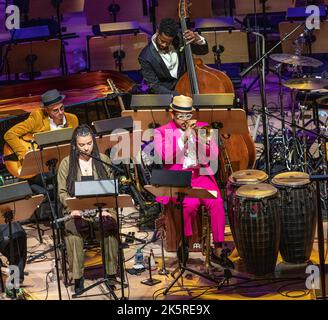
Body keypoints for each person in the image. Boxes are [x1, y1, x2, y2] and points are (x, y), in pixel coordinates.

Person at [154, 95, 228, 264]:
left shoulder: (202, 128)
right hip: (180, 178)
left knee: (216, 201)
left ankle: (218, 246)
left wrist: (198, 139)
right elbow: (165, 156)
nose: (184, 120)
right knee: (190, 205)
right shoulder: (161, 132)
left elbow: (213, 155)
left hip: (200, 175)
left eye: (188, 115)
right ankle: (186, 244)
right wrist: (184, 138)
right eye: (180, 116)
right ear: (172, 114)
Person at [57, 124, 118, 295]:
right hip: (76, 210)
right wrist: (72, 208)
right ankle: (78, 278)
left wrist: (107, 210)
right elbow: (62, 192)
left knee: (110, 227)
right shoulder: (66, 163)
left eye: (89, 143)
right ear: (75, 145)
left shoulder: (103, 160)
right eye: (82, 145)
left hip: (101, 208)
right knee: (74, 234)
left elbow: (111, 190)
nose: (86, 148)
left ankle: (111, 274)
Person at [138, 18, 208, 95]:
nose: (164, 45)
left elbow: (203, 51)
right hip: (166, 95)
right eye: (162, 41)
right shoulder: (145, 56)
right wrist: (175, 95)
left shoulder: (180, 39)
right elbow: (154, 85)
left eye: (168, 42)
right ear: (158, 32)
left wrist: (197, 39)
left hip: (187, 86)